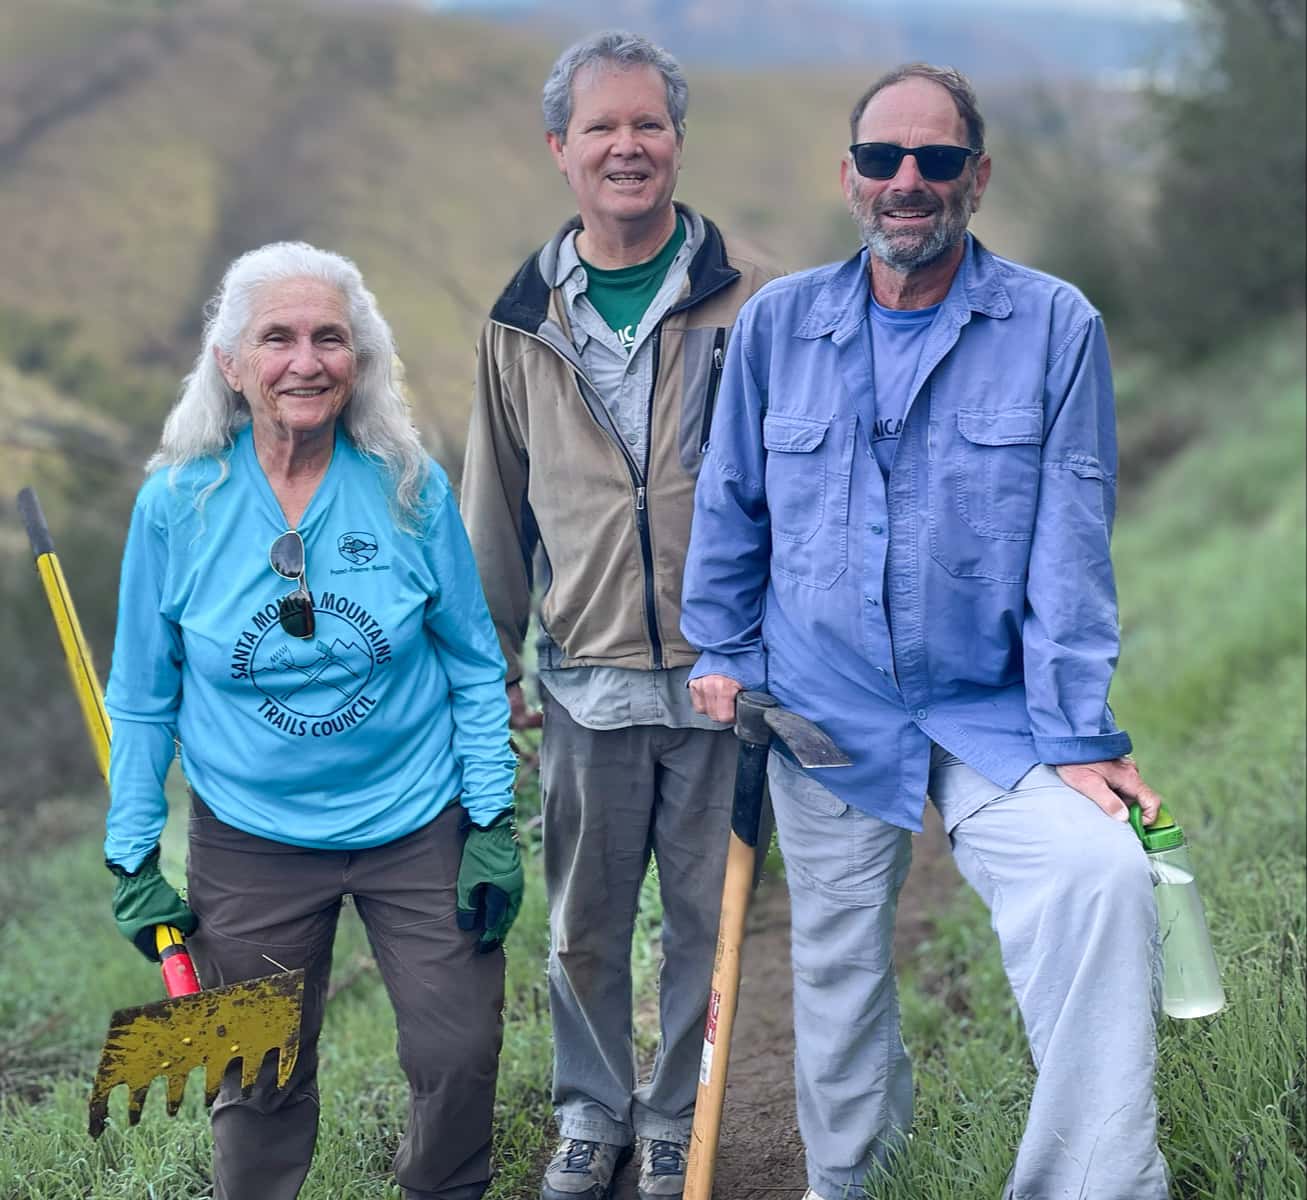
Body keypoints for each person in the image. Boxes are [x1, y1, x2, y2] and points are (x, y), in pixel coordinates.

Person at [682, 64, 1170, 1200]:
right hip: (822, 707)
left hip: (997, 707)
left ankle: (1090, 1182)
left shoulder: (1054, 324)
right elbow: (730, 502)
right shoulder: (776, 326)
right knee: (837, 974)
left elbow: (1070, 541)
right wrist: (721, 653)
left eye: (936, 161)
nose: (908, 182)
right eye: (883, 160)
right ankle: (846, 1180)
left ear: (976, 177)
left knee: (1100, 876)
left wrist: (1081, 730)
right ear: (847, 177)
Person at [102, 241, 520, 1200]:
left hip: (419, 824)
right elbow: (142, 693)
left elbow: (470, 660)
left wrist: (490, 821)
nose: (306, 360)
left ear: (359, 361)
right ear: (231, 364)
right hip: (248, 839)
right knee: (254, 1085)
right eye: (277, 338)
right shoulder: (176, 505)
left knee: (459, 1053)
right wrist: (133, 854)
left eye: (330, 338)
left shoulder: (411, 489)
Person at [460, 30, 777, 1200]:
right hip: (582, 679)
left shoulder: (754, 304)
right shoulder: (515, 320)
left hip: (717, 674)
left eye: (647, 124)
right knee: (583, 927)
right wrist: (484, 664)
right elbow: (490, 503)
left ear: (678, 143)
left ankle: (672, 1125)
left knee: (705, 921)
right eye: (601, 127)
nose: (626, 147)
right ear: (560, 149)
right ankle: (591, 1114)